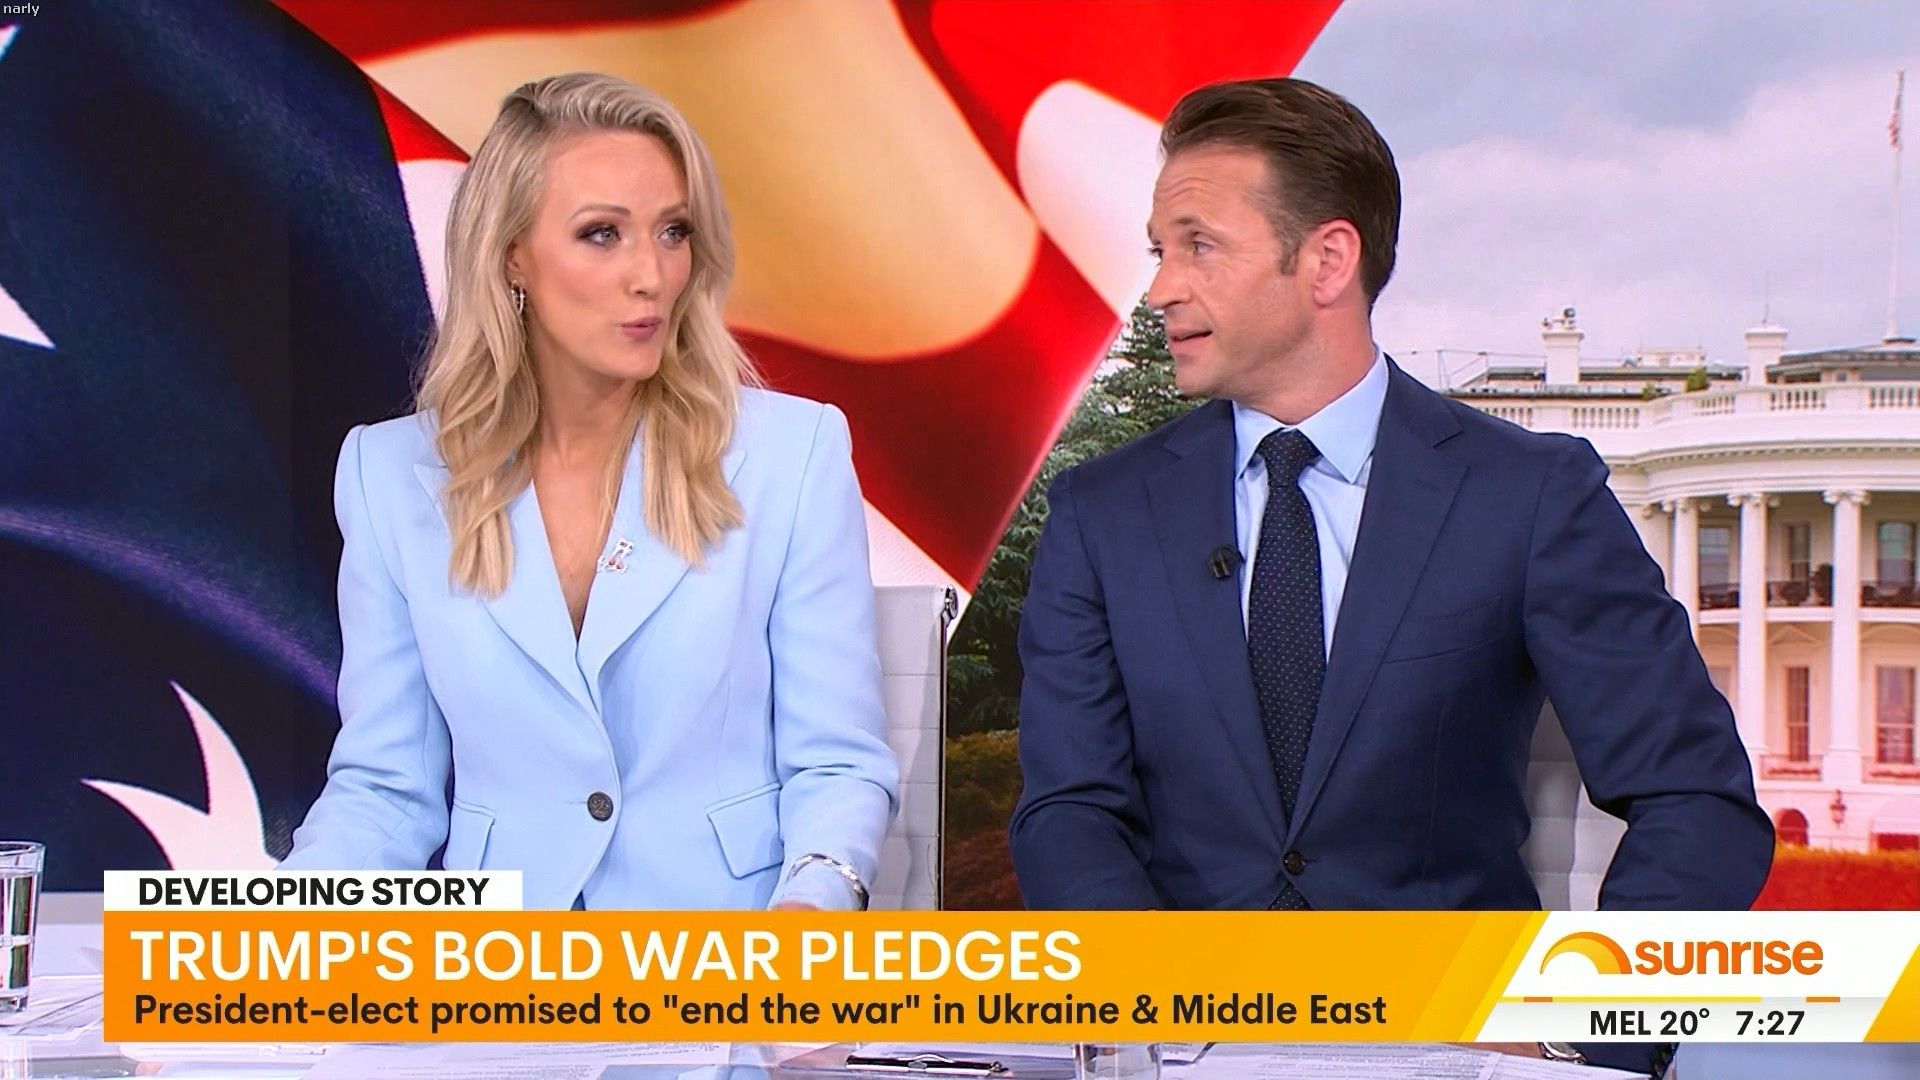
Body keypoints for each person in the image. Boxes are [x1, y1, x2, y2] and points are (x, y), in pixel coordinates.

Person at [1009, 78, 1772, 1076]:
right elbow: (1069, 809)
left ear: (1328, 259)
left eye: (1200, 246)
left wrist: (1572, 1033)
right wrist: (1139, 1008)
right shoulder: (1103, 514)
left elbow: (1697, 800)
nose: (1161, 290)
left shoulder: (1529, 495)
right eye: (1161, 251)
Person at [281, 73, 898, 911]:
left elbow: (837, 764)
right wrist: (277, 935)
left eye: (673, 231)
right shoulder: (386, 475)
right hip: (503, 969)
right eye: (602, 234)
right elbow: (385, 791)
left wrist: (812, 906)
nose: (652, 275)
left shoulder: (792, 454)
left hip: (730, 958)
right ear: (512, 255)